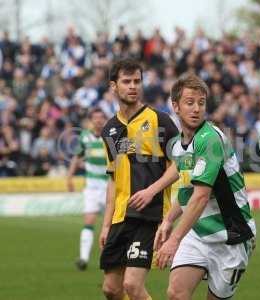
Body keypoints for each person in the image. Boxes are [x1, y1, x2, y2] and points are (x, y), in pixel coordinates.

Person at [130, 73, 256, 299]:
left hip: (230, 236)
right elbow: (187, 190)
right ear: (176, 106)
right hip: (197, 234)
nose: (196, 108)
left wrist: (174, 240)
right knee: (176, 293)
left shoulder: (210, 139)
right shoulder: (179, 145)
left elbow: (200, 197)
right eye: (190, 103)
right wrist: (168, 220)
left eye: (201, 103)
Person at [100, 58, 178, 300]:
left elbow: (181, 164)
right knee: (111, 289)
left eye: (137, 81)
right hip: (120, 216)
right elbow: (113, 180)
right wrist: (105, 225)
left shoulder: (160, 121)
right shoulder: (109, 129)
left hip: (149, 215)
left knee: (132, 286)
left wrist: (151, 191)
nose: (133, 86)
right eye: (126, 81)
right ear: (114, 86)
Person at [67, 107, 108, 270]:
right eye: (95, 118)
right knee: (89, 220)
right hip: (92, 186)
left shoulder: (110, 136)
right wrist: (69, 177)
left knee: (111, 224)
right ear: (91, 121)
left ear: (104, 119)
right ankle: (83, 258)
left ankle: (108, 258)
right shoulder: (85, 137)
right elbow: (77, 157)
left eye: (101, 117)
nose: (98, 120)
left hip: (109, 185)